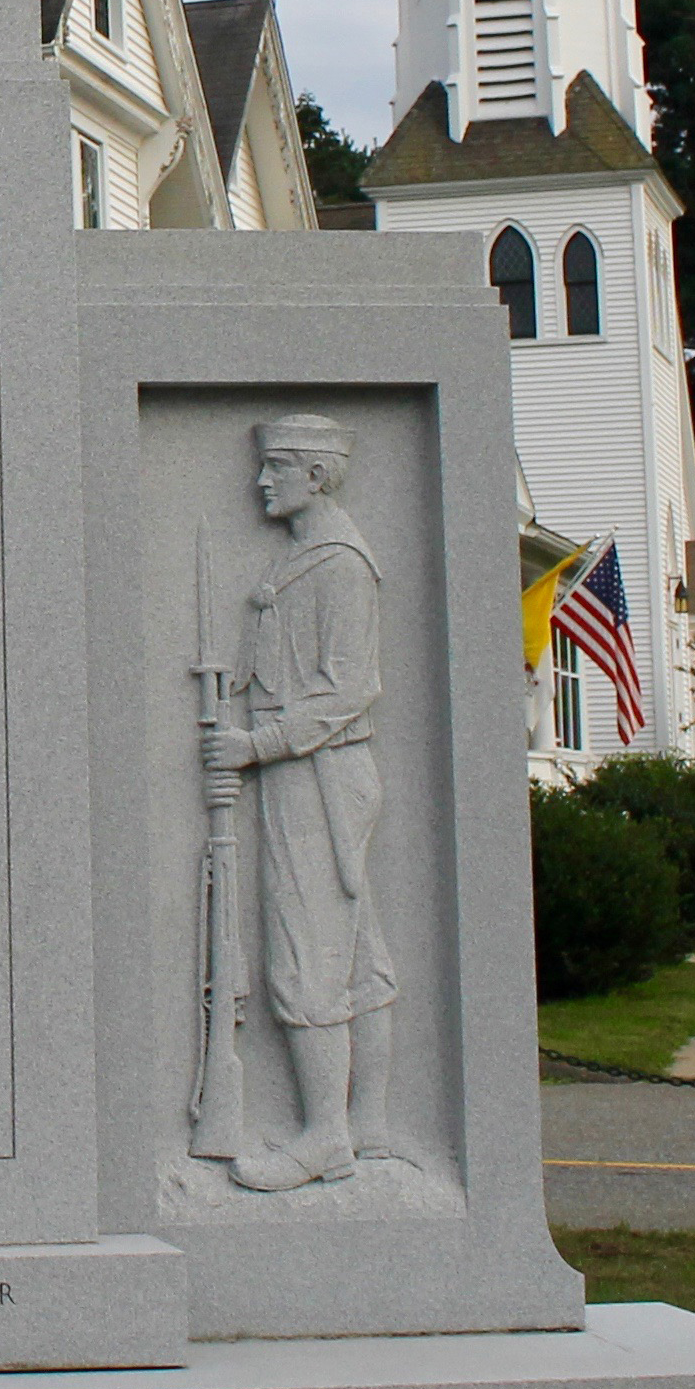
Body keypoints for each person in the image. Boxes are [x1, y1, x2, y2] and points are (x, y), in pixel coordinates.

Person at [200, 415, 398, 1191]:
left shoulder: (339, 565)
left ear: (317, 476)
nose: (260, 482)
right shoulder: (301, 563)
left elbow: (351, 688)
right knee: (351, 949)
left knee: (306, 948)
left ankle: (326, 1136)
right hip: (313, 771)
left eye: (276, 468)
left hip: (315, 772)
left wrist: (257, 745)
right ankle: (369, 1127)